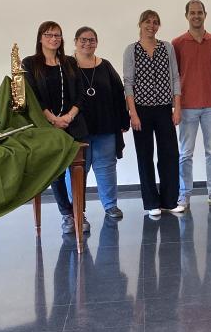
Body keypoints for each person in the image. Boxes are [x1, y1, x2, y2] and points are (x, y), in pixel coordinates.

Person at [22, 21, 89, 234]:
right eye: (49, 35)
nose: (54, 39)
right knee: (57, 173)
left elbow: (80, 93)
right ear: (40, 38)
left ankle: (80, 212)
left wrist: (69, 116)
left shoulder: (69, 62)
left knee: (79, 171)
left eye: (58, 35)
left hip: (73, 123)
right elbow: (32, 96)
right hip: (47, 127)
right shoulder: (30, 63)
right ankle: (67, 214)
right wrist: (53, 119)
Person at [123, 10, 183, 217]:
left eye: (156, 22)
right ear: (140, 24)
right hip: (141, 110)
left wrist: (177, 107)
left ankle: (169, 200)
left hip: (165, 109)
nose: (152, 26)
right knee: (145, 156)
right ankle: (151, 203)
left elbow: (175, 77)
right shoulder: (132, 50)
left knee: (169, 155)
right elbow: (128, 83)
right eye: (148, 22)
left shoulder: (167, 48)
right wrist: (133, 114)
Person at [172, 0, 211, 208]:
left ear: (206, 14)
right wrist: (175, 105)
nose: (196, 16)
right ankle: (184, 194)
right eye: (192, 13)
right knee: (185, 153)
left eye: (200, 12)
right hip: (186, 106)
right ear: (186, 15)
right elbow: (174, 77)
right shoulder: (177, 43)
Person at [72, 26, 130, 220]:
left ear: (96, 43)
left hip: (106, 127)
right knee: (77, 171)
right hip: (78, 130)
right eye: (83, 39)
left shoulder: (105, 65)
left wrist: (123, 120)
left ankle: (111, 206)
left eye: (92, 40)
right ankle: (77, 211)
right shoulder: (67, 65)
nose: (87, 43)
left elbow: (118, 93)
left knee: (106, 168)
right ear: (75, 42)